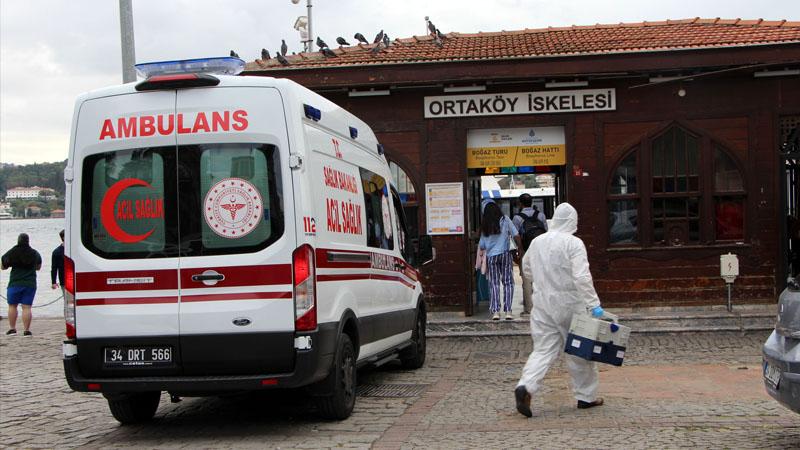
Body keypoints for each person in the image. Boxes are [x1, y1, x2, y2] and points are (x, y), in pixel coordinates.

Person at [514, 203, 605, 417]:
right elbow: (582, 277)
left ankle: (525, 387)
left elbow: (526, 268)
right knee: (579, 351)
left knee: (543, 349)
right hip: (571, 304)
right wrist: (594, 304)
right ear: (572, 221)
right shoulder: (574, 243)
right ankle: (586, 397)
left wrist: (543, 281)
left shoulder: (537, 242)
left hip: (543, 304)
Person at [479, 202, 522, 320]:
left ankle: (496, 312)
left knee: (494, 283)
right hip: (505, 254)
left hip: (492, 256)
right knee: (508, 282)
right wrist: (520, 250)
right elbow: (516, 235)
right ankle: (508, 311)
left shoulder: (485, 224)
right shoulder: (505, 219)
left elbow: (482, 245)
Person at [1, 233, 42, 336]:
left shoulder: (12, 252)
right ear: (28, 241)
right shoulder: (34, 253)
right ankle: (26, 330)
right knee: (27, 307)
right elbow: (38, 267)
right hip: (30, 283)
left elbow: (3, 266)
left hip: (15, 283)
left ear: (18, 240)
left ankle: (12, 329)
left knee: (12, 306)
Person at [512, 194, 545, 316]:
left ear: (520, 204)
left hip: (525, 250)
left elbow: (516, 236)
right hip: (540, 250)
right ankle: (541, 307)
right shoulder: (540, 215)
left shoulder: (517, 218)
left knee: (526, 280)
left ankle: (529, 309)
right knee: (540, 278)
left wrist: (518, 251)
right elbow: (545, 231)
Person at [51, 229, 65, 295]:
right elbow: (54, 268)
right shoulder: (57, 252)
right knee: (68, 301)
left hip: (77, 279)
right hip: (64, 280)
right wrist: (53, 282)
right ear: (63, 237)